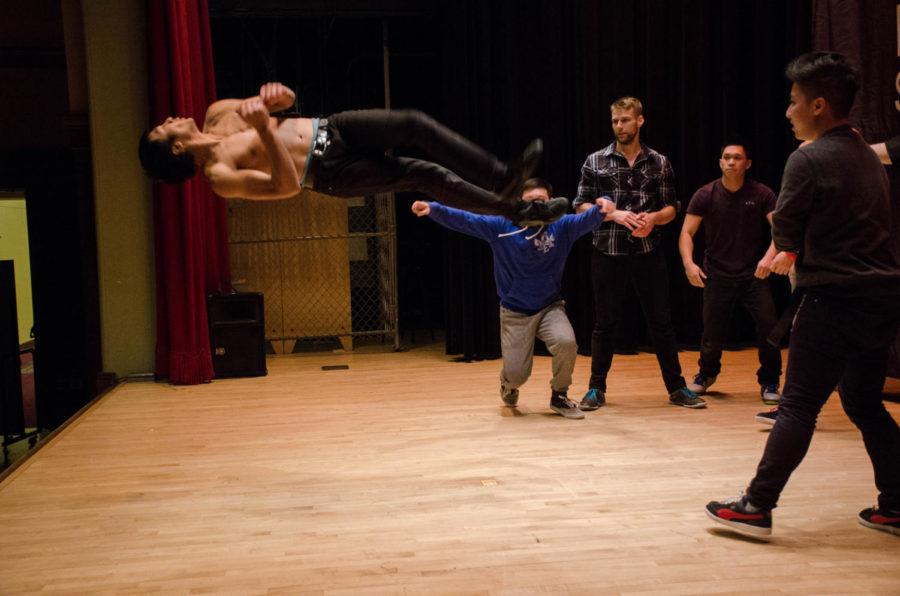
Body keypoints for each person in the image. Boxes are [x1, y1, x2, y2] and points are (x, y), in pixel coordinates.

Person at [706, 52, 900, 539]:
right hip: (881, 298)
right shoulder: (865, 154)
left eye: (793, 102)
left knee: (797, 407)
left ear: (817, 105)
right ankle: (898, 505)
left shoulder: (808, 158)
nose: (786, 111)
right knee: (863, 401)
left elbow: (786, 233)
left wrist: (783, 254)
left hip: (833, 300)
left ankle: (757, 505)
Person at [139, 82, 566, 226]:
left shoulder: (217, 112)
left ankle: (501, 175)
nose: (171, 118)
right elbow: (286, 188)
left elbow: (285, 98)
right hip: (329, 172)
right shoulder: (219, 175)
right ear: (175, 147)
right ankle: (516, 211)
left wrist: (274, 94)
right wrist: (264, 132)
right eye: (165, 128)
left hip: (332, 128)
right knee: (426, 174)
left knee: (413, 122)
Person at [411, 178, 614, 419]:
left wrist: (606, 204)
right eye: (530, 202)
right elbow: (466, 219)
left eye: (542, 201)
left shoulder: (562, 226)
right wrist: (434, 209)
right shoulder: (501, 225)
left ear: (551, 202)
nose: (537, 207)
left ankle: (559, 396)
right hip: (515, 311)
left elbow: (590, 218)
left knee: (566, 342)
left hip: (550, 306)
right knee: (518, 375)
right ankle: (508, 384)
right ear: (518, 203)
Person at [573, 96, 705, 411]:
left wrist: (653, 219)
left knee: (661, 323)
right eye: (615, 121)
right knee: (604, 324)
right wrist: (614, 214)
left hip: (648, 252)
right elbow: (580, 205)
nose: (620, 126)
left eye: (625, 120)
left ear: (640, 121)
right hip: (608, 251)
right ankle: (595, 389)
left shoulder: (659, 162)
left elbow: (673, 207)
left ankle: (677, 388)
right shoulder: (595, 161)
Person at [680, 141, 783, 405]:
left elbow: (781, 231)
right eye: (726, 157)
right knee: (712, 334)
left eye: (737, 158)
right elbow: (687, 233)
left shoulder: (762, 194)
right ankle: (706, 374)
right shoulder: (706, 194)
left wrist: (769, 258)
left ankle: (770, 380)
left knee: (769, 328)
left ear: (747, 164)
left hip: (753, 275)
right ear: (720, 162)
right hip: (717, 274)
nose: (731, 162)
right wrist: (689, 264)